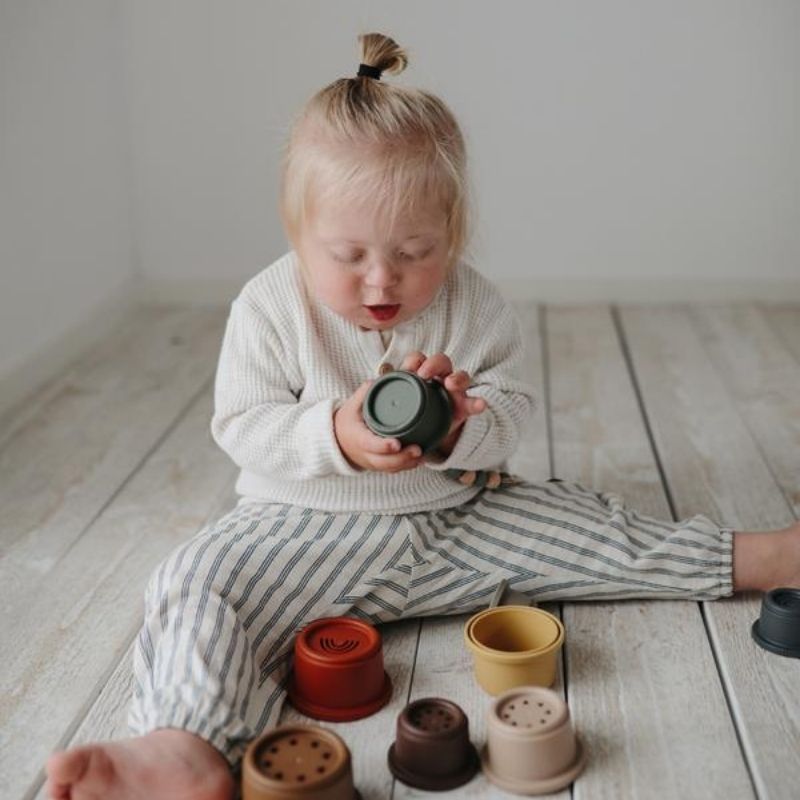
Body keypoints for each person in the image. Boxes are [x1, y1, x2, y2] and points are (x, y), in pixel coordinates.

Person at [45, 32, 800, 800]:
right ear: (298, 233)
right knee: (192, 583)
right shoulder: (270, 307)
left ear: (455, 232)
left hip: (460, 514)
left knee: (599, 530)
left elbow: (508, 418)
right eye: (349, 255)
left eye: (416, 249)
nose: (384, 277)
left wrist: (455, 428)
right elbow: (241, 423)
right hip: (302, 524)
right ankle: (184, 746)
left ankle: (767, 558)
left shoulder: (475, 306)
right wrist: (334, 432)